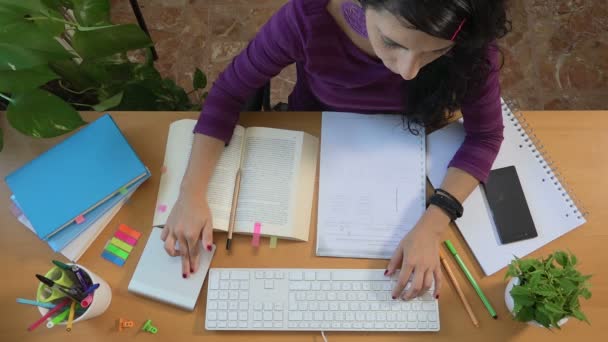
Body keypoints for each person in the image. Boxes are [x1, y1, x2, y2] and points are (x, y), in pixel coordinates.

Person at [161, 0, 510, 301]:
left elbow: (486, 136)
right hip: (316, 141)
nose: (407, 71)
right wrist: (191, 193)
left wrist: (433, 225)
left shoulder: (469, 38)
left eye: (435, 51)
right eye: (392, 42)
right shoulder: (307, 18)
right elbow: (228, 93)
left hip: (409, 151)